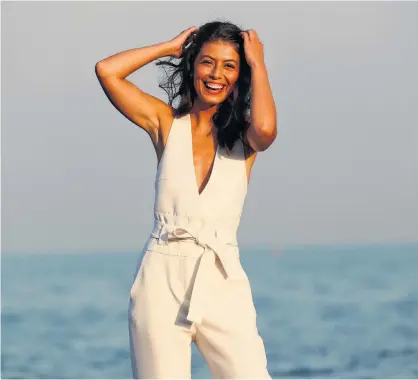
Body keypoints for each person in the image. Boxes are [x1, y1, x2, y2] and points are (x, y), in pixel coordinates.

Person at [95, 20, 277, 379]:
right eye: (207, 61)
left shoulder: (244, 138)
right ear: (192, 64)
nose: (216, 74)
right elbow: (107, 71)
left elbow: (268, 130)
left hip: (221, 275)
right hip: (160, 276)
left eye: (230, 66)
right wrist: (168, 47)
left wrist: (258, 63)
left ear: (240, 75)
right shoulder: (165, 122)